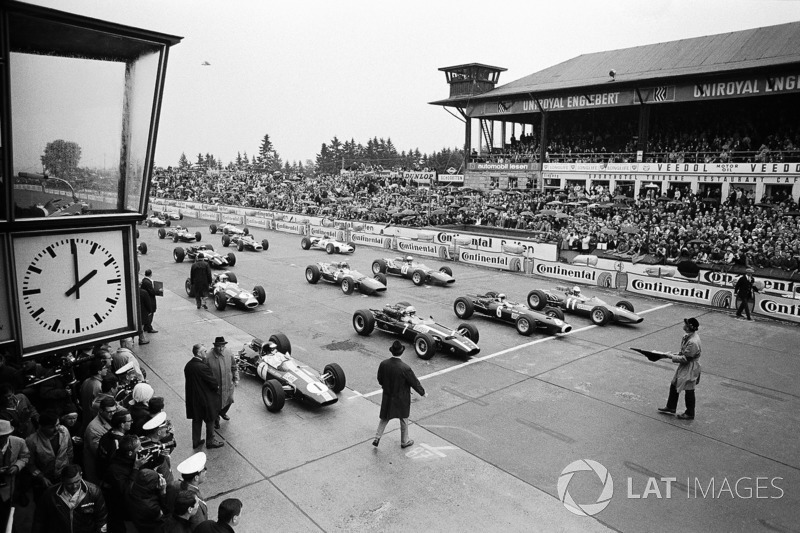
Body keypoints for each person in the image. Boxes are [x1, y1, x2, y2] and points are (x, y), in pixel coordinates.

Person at [373, 340, 427, 449]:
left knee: (384, 417)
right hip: (401, 398)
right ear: (401, 352)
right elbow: (414, 382)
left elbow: (380, 379)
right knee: (403, 419)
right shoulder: (405, 368)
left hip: (388, 396)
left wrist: (385, 386)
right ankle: (404, 441)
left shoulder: (384, 364)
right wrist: (423, 392)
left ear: (392, 352)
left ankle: (377, 437)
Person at [34, 464, 109, 533]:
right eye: (69, 483)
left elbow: (102, 519)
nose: (74, 486)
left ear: (81, 475)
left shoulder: (94, 491)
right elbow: (39, 520)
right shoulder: (50, 495)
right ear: (62, 480)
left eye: (77, 481)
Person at [658, 317, 702, 420]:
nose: (684, 326)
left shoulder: (693, 342)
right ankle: (671, 407)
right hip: (685, 366)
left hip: (690, 367)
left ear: (689, 327)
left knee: (689, 389)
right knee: (674, 384)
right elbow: (682, 353)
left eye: (686, 325)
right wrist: (671, 354)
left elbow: (686, 358)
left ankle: (690, 413)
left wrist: (670, 357)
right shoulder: (687, 336)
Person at [25, 410, 73, 502]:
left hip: (62, 476)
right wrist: (41, 477)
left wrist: (69, 468)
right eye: (51, 427)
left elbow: (69, 450)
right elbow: (30, 464)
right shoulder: (32, 441)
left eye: (58, 424)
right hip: (45, 480)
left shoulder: (64, 432)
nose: (57, 429)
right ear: (41, 427)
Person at [185, 344, 223, 449]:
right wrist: (217, 387)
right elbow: (212, 382)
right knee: (210, 419)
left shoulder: (188, 365)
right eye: (204, 351)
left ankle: (196, 441)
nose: (206, 353)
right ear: (199, 353)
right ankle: (210, 441)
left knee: (196, 420)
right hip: (205, 399)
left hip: (193, 399)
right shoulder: (202, 367)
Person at [165, 452, 209, 530]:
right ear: (196, 478)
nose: (206, 470)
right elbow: (199, 527)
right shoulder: (195, 503)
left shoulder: (174, 485)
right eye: (203, 469)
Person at [0, 419, 29, 521]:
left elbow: (25, 457)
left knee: (7, 512)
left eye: (2, 437)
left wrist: (17, 466)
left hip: (9, 486)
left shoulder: (19, 442)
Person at [83, 396, 117, 484]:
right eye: (109, 412)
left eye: (114, 411)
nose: (112, 414)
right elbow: (99, 453)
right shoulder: (94, 428)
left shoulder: (109, 418)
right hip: (97, 469)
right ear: (101, 411)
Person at [207, 337, 239, 430]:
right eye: (219, 346)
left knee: (230, 400)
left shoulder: (228, 352)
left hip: (228, 384)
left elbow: (234, 366)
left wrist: (236, 378)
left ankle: (222, 412)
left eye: (223, 346)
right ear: (215, 346)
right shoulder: (208, 357)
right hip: (216, 387)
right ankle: (216, 419)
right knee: (216, 405)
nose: (221, 349)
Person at [96, 408, 132, 481]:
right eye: (129, 421)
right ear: (122, 424)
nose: (132, 422)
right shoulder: (119, 443)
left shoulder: (106, 435)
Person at [140, 269, 159, 334]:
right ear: (151, 274)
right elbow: (152, 292)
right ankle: (149, 327)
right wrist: (158, 291)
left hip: (147, 299)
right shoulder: (148, 282)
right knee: (150, 314)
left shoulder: (144, 280)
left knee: (148, 314)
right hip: (150, 300)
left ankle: (146, 327)